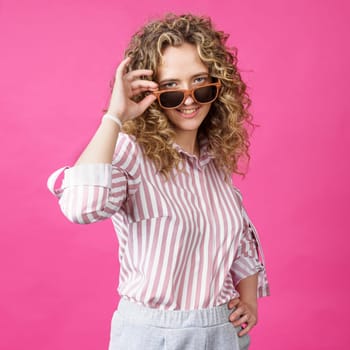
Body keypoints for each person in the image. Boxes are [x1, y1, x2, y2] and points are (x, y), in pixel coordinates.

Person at [47, 13, 269, 350]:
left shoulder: (215, 162)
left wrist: (249, 299)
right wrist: (114, 117)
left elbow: (237, 238)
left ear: (218, 86)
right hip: (152, 336)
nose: (189, 99)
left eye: (200, 83)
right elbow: (82, 207)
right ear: (150, 94)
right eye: (171, 90)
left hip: (222, 332)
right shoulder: (129, 154)